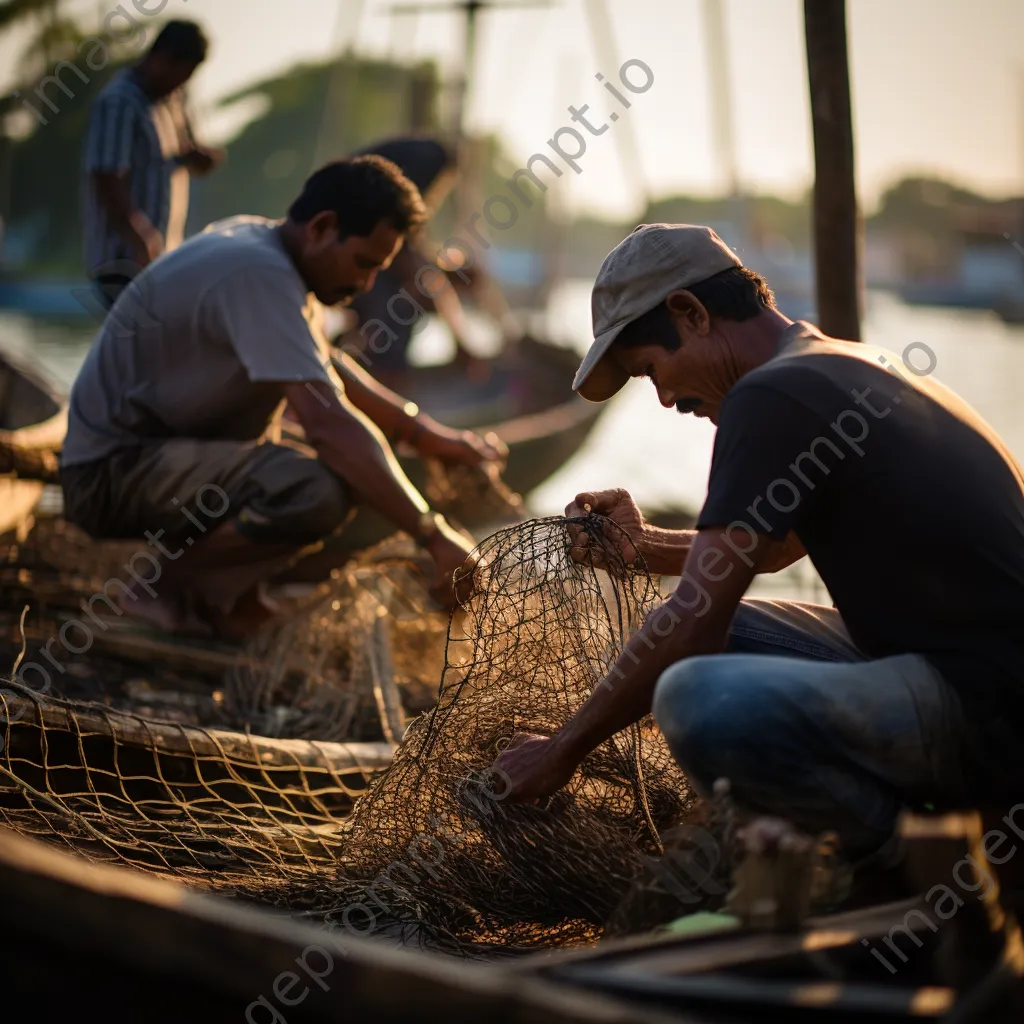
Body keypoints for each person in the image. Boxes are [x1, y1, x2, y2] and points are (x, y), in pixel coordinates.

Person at [492, 222, 1024, 883]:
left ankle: (909, 861)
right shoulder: (838, 365)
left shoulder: (770, 396)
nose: (665, 400)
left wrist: (563, 749)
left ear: (690, 313)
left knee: (691, 695)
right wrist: (642, 547)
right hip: (976, 680)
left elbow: (693, 622)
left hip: (985, 710)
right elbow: (771, 553)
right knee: (721, 634)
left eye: (651, 370)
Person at [60, 156, 504, 640]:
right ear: (322, 227)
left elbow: (332, 370)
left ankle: (233, 593)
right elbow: (328, 425)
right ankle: (160, 586)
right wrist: (433, 534)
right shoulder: (259, 274)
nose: (366, 284)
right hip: (107, 474)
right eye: (363, 263)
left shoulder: (266, 248)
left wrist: (430, 437)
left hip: (161, 457)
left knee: (337, 469)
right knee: (314, 489)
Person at [337, 135, 518, 380]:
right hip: (345, 246)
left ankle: (367, 368)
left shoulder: (414, 163)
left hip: (349, 242)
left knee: (408, 292)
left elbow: (415, 256)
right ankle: (387, 377)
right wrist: (460, 340)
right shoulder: (428, 164)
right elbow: (415, 267)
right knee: (403, 301)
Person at [82, 20, 224, 310]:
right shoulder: (119, 102)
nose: (180, 84)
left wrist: (198, 158)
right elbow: (106, 175)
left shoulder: (173, 101)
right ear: (162, 57)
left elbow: (179, 154)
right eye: (179, 74)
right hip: (124, 259)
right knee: (141, 342)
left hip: (161, 257)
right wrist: (140, 237)